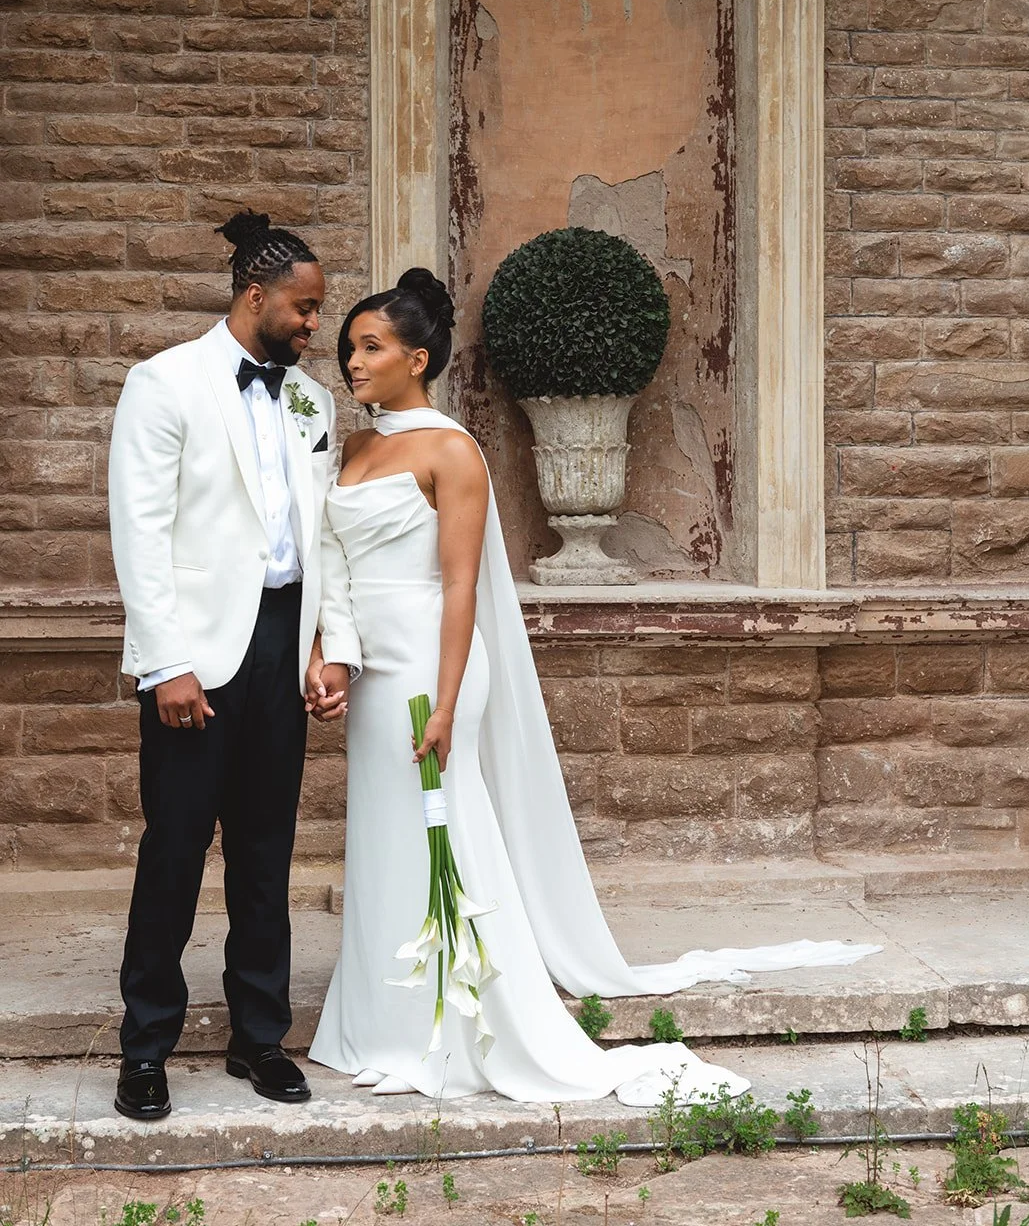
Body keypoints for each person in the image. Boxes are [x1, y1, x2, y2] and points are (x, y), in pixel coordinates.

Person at [308, 268, 879, 1105]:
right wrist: (331, 654)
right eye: (349, 348)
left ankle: (462, 1026)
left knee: (447, 831)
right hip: (372, 670)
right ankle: (381, 1017)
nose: (351, 363)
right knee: (386, 837)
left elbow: (463, 585)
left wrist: (450, 696)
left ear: (416, 357)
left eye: (370, 347)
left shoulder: (450, 450)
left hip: (435, 665)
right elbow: (332, 564)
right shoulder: (352, 449)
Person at [107, 210, 362, 1121]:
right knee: (173, 853)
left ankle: (259, 1040)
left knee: (265, 852)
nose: (313, 326)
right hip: (195, 655)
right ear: (255, 296)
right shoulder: (164, 382)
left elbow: (322, 534)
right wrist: (167, 664)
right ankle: (146, 1049)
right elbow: (139, 534)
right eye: (303, 308)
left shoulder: (310, 402)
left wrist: (334, 646)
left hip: (284, 644)